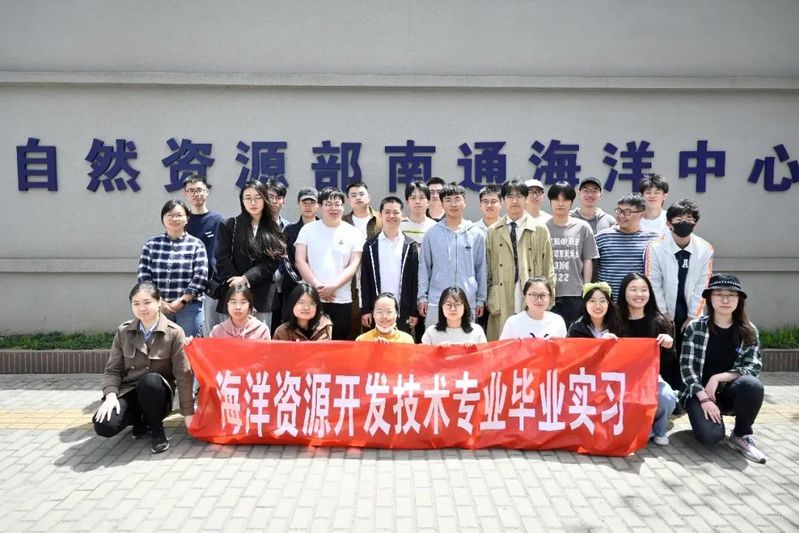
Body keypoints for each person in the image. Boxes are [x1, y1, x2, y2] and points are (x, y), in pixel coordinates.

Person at [93, 282, 193, 454]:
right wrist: (110, 396)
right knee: (105, 426)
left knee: (150, 381)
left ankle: (156, 429)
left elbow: (183, 374)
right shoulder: (124, 331)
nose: (142, 308)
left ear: (159, 302)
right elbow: (113, 370)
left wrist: (188, 413)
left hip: (158, 395)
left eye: (147, 302)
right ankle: (140, 420)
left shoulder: (174, 332)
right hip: (130, 391)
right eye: (136, 303)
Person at [679, 274, 766, 463]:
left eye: (731, 295)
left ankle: (741, 434)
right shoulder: (696, 328)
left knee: (752, 385)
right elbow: (687, 368)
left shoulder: (748, 330)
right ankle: (707, 421)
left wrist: (718, 377)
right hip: (699, 394)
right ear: (710, 298)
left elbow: (752, 367)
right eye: (719, 294)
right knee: (712, 437)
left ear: (739, 299)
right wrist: (704, 398)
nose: (725, 300)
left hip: (729, 393)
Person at [486, 179, 554, 341]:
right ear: (503, 201)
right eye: (510, 196)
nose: (515, 201)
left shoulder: (540, 229)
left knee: (532, 342)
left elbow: (548, 266)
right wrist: (488, 297)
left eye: (519, 196)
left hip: (532, 292)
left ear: (526, 199)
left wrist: (549, 298)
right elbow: (487, 269)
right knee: (504, 343)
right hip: (502, 294)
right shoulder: (493, 231)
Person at [295, 187, 364, 340]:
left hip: (341, 298)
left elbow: (354, 264)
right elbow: (300, 260)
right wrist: (317, 286)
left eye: (337, 204)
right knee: (310, 340)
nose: (333, 208)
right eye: (328, 204)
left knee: (339, 342)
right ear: (320, 206)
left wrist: (333, 286)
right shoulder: (307, 230)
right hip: (312, 297)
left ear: (343, 207)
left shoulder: (353, 232)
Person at [645, 198, 714, 352]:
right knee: (664, 352)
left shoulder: (705, 249)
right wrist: (664, 314)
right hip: (661, 311)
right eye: (679, 219)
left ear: (695, 223)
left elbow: (703, 284)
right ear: (669, 223)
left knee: (689, 351)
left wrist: (692, 316)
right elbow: (653, 282)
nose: (684, 223)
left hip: (690, 309)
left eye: (689, 219)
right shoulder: (655, 247)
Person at [617, 272, 677, 445]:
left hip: (650, 378)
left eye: (644, 290)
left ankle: (658, 430)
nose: (639, 294)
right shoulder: (614, 319)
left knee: (666, 398)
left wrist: (668, 345)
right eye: (633, 289)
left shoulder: (660, 321)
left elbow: (669, 361)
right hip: (619, 378)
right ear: (624, 292)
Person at [215, 180, 286, 327]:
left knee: (259, 339)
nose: (253, 202)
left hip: (262, 296)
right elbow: (222, 258)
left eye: (258, 197)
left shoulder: (273, 227)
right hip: (233, 294)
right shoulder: (230, 225)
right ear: (242, 201)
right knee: (230, 339)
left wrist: (246, 278)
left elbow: (271, 262)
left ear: (265, 199)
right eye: (248, 198)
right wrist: (237, 283)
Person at [418, 184, 487, 330]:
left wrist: (481, 299)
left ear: (465, 202)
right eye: (448, 200)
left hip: (467, 300)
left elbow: (481, 268)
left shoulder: (476, 233)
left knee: (466, 341)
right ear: (442, 203)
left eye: (457, 199)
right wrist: (422, 296)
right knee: (435, 340)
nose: (453, 204)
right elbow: (424, 267)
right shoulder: (432, 233)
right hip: (437, 300)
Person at [137, 199, 208, 339]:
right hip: (158, 307)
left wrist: (182, 301)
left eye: (179, 215)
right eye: (170, 215)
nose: (174, 219)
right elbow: (144, 277)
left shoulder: (196, 244)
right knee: (158, 346)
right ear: (163, 218)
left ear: (187, 219)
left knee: (187, 347)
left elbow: (201, 276)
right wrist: (160, 302)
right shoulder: (151, 245)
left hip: (189, 308)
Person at [360, 196, 419, 335]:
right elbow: (365, 280)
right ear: (380, 215)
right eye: (387, 212)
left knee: (401, 346)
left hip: (402, 310)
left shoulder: (410, 245)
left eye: (396, 212)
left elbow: (414, 280)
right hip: (376, 312)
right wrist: (366, 310)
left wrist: (413, 311)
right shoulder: (370, 245)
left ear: (402, 216)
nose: (391, 216)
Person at [546, 181, 599, 326]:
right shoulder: (543, 228)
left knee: (574, 333)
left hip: (575, 293)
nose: (560, 203)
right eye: (556, 199)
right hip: (549, 293)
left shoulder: (582, 227)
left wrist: (586, 289)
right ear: (550, 201)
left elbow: (588, 259)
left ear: (572, 202)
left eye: (565, 199)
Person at [183, 174, 226, 336]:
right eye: (191, 190)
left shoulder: (218, 221)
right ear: (186, 194)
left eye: (199, 190)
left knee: (212, 331)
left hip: (213, 287)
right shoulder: (182, 221)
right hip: (187, 285)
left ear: (207, 191)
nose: (196, 194)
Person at [594, 193, 659, 300]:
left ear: (642, 214)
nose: (621, 216)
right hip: (608, 302)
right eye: (619, 211)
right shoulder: (602, 237)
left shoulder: (654, 239)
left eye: (627, 212)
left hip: (639, 302)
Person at [278, 187, 319, 324]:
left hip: (319, 289)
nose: (308, 206)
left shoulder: (324, 229)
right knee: (291, 326)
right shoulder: (289, 230)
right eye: (304, 203)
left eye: (312, 203)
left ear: (318, 205)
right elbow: (286, 262)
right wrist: (301, 283)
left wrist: (317, 284)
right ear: (298, 204)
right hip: (293, 289)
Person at [500, 277, 567, 339]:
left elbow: (565, 347)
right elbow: (503, 347)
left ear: (550, 297)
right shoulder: (513, 322)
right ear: (525, 297)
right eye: (534, 295)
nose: (539, 300)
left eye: (543, 295)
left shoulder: (557, 321)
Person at [421, 286, 487, 346]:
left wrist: (475, 349)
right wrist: (437, 350)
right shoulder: (431, 332)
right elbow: (423, 354)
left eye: (457, 304)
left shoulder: (477, 331)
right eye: (448, 304)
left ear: (465, 307)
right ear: (441, 307)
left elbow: (485, 354)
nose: (453, 309)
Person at [400, 180, 437, 248]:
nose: (417, 201)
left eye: (421, 198)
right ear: (407, 202)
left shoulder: (435, 227)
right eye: (413, 198)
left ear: (428, 201)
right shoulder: (399, 226)